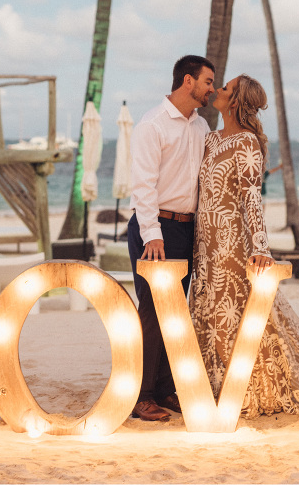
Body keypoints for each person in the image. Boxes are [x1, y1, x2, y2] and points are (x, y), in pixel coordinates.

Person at [190, 74, 299, 418]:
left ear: (236, 101)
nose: (217, 90)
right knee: (208, 313)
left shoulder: (247, 143)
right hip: (204, 244)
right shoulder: (211, 139)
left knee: (233, 315)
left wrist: (261, 245)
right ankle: (216, 387)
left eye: (225, 88)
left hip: (231, 243)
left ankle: (247, 388)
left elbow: (251, 199)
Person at [127, 55, 215, 422]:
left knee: (174, 312)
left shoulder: (201, 126)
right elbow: (143, 184)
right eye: (208, 81)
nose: (212, 88)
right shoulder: (153, 124)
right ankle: (140, 395)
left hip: (186, 228)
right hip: (155, 229)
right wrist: (153, 235)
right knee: (150, 311)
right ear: (188, 81)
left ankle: (164, 389)